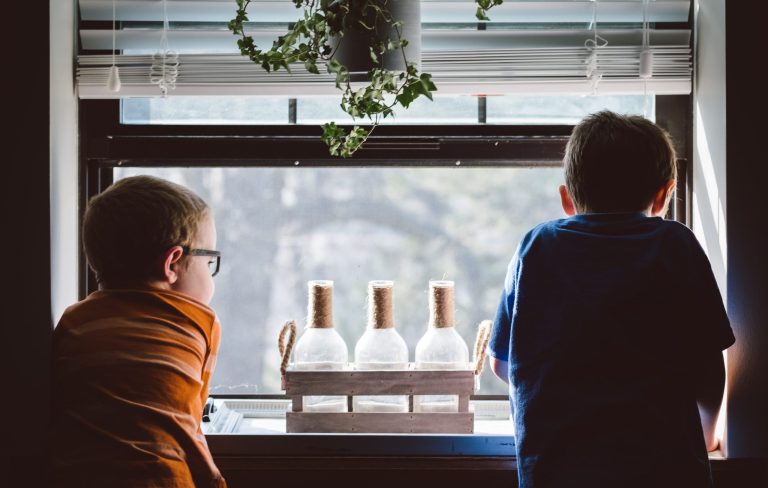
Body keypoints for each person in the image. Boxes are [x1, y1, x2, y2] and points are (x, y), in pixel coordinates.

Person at [488, 111, 735, 488]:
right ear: (664, 195)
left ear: (567, 199)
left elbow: (502, 364)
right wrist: (708, 433)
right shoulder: (675, 244)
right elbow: (708, 367)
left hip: (557, 470)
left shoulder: (536, 246)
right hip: (665, 469)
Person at [51, 175, 227, 487]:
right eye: (209, 261)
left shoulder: (73, 321)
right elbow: (189, 426)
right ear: (172, 263)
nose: (211, 274)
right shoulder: (198, 322)